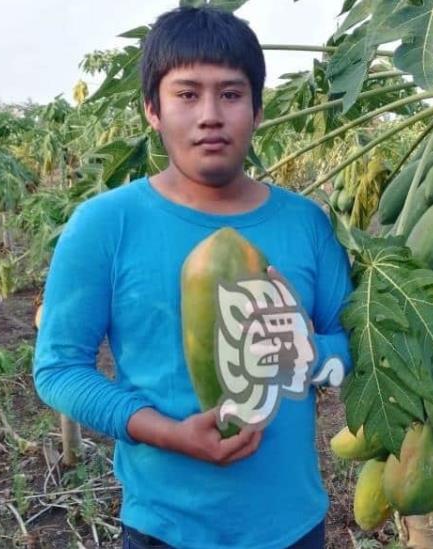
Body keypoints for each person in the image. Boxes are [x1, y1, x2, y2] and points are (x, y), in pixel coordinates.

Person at [33, 6, 354, 549]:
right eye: (187, 94)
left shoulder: (307, 224)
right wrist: (168, 434)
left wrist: (306, 351)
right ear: (152, 110)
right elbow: (59, 369)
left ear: (256, 109)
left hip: (293, 525)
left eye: (230, 94)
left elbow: (352, 349)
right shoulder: (104, 225)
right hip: (164, 529)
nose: (210, 115)